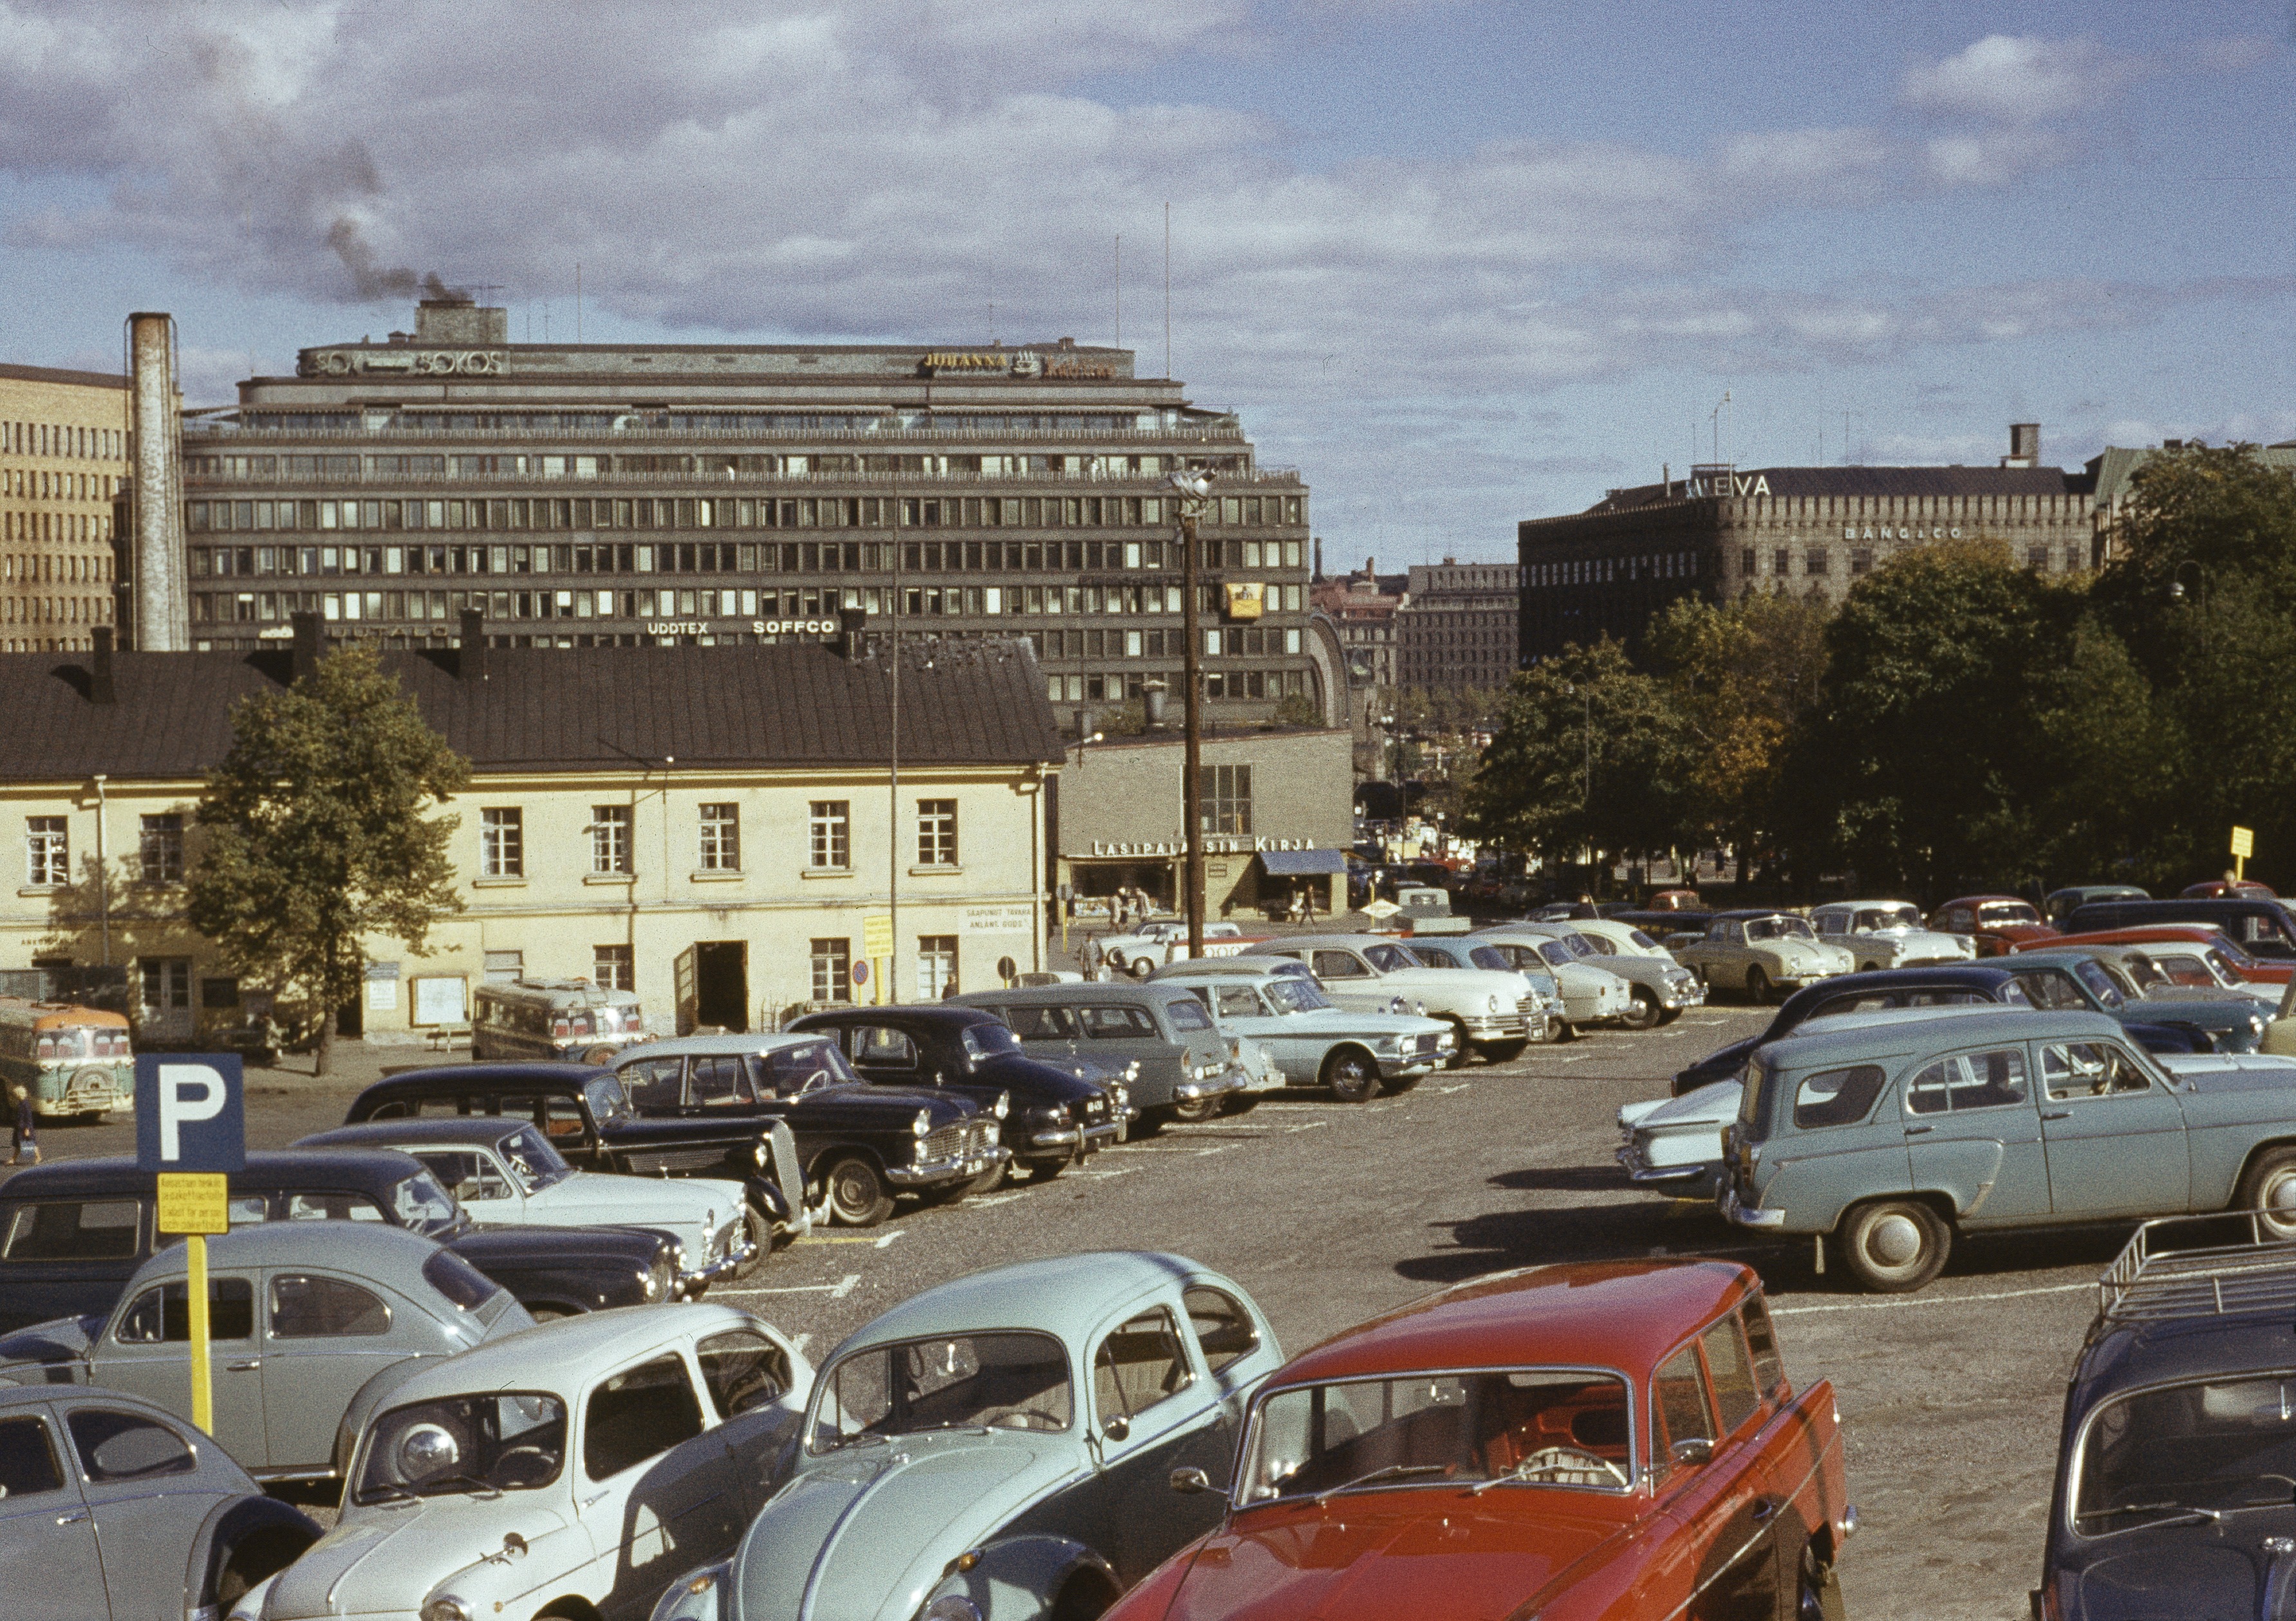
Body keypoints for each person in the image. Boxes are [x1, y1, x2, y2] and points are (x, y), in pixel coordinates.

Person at [8, 1076, 36, 1166]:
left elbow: (28, 1117)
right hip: (20, 1127)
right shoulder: (21, 1103)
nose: (15, 1096)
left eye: (16, 1094)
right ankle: (13, 1159)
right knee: (19, 1144)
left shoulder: (25, 1104)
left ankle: (38, 1157)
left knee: (28, 1143)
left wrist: (27, 1128)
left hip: (24, 1127)